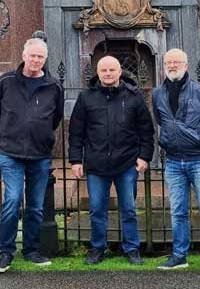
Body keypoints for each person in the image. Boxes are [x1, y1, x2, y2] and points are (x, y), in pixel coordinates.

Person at [68, 55, 155, 265]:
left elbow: (146, 130)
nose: (108, 73)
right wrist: (75, 160)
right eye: (104, 70)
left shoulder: (134, 97)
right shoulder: (86, 98)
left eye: (112, 70)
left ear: (119, 72)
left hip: (126, 163)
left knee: (129, 209)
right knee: (97, 209)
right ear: (98, 73)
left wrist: (144, 157)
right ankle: (98, 248)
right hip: (97, 164)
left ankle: (132, 248)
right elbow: (76, 132)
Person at [0, 37, 65, 273]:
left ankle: (31, 249)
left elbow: (56, 118)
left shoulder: (53, 86)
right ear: (23, 56)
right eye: (32, 55)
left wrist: (38, 132)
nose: (35, 60)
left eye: (40, 56)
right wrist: (10, 132)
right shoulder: (6, 81)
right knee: (12, 200)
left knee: (36, 206)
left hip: (40, 153)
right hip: (10, 151)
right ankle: (6, 252)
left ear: (45, 59)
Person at [151, 48, 200, 272]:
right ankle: (179, 255)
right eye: (168, 62)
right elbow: (161, 121)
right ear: (163, 65)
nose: (172, 65)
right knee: (178, 211)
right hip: (173, 161)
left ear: (186, 65)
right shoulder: (157, 94)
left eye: (176, 62)